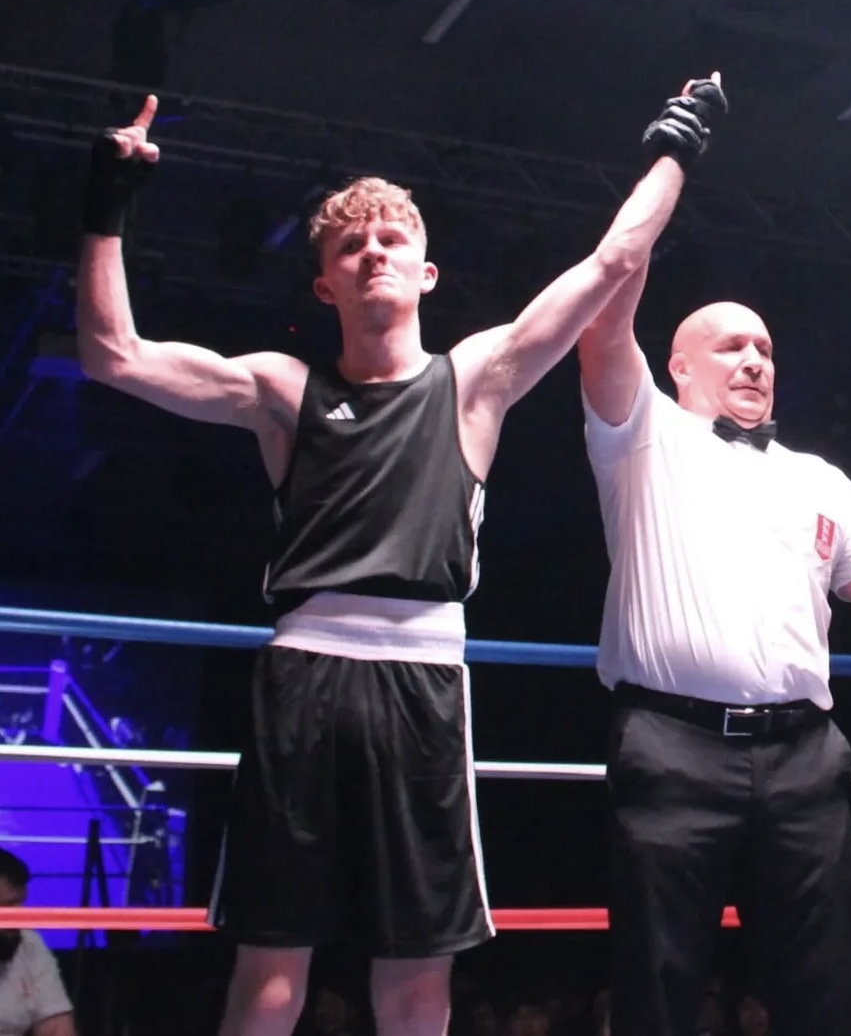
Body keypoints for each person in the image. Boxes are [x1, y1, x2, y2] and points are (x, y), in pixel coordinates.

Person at [75, 74, 720, 1036]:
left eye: (390, 239)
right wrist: (107, 203)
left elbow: (613, 260)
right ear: (324, 283)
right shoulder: (281, 389)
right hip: (303, 678)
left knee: (418, 976)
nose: (371, 250)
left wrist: (677, 145)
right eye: (350, 245)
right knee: (270, 970)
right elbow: (113, 354)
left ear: (426, 273)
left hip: (422, 682)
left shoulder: (476, 379)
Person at [578, 97, 851, 1033]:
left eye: (764, 348)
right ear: (679, 366)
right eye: (730, 346)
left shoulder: (818, 479)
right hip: (670, 748)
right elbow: (606, 304)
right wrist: (670, 161)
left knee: (819, 991)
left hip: (804, 758)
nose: (755, 360)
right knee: (658, 988)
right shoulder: (640, 437)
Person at [0, 848, 76, 1036]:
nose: (19, 918)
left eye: (21, 903)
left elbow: (57, 1027)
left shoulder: (30, 944)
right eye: (8, 906)